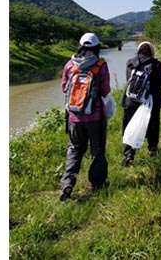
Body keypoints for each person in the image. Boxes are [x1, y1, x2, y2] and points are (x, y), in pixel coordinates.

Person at [59, 32, 111, 201]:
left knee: (74, 149)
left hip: (74, 117)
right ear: (97, 47)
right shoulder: (100, 65)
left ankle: (67, 184)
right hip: (95, 117)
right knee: (97, 150)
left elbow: (64, 88)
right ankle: (97, 184)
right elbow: (105, 90)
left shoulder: (70, 64)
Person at [121, 42, 161, 166]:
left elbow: (128, 80)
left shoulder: (130, 63)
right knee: (153, 126)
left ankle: (129, 154)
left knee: (130, 126)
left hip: (130, 101)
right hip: (150, 102)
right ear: (151, 52)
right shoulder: (155, 65)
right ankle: (152, 150)